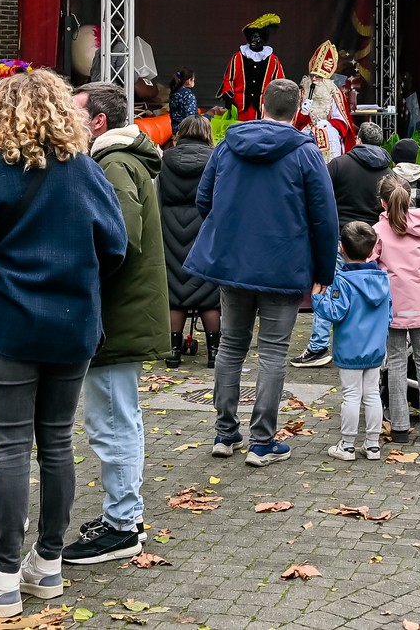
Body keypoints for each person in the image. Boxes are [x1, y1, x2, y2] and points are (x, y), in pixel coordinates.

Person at [0, 68, 127, 619]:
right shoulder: (84, 170)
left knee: (11, 448)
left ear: (0, 114)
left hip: (10, 324)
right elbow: (116, 246)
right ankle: (47, 566)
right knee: (57, 444)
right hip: (74, 325)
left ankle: (4, 576)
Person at [184, 78, 340, 467]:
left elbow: (204, 200)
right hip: (283, 267)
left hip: (233, 265)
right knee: (273, 351)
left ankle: (224, 433)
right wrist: (324, 271)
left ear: (261, 103)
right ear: (299, 105)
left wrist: (229, 235)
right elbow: (324, 218)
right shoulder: (306, 154)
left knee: (231, 346)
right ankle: (262, 441)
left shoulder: (227, 146)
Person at [66, 83, 171, 566]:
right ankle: (125, 517)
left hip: (116, 316)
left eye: (75, 112)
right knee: (118, 420)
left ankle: (122, 526)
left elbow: (120, 238)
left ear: (99, 122)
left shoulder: (111, 164)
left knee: (110, 423)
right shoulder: (122, 160)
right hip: (122, 313)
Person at [293, 120, 394, 368]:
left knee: (329, 287)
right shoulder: (388, 173)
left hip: (341, 237)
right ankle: (370, 344)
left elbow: (319, 193)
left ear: (357, 139)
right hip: (373, 238)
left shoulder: (339, 164)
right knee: (371, 292)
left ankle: (318, 346)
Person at [313, 222, 393, 462]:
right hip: (376, 348)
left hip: (350, 348)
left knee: (351, 395)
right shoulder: (383, 279)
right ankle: (372, 445)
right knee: (371, 394)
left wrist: (317, 298)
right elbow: (389, 313)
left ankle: (347, 445)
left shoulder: (342, 282)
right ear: (371, 252)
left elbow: (335, 312)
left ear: (341, 249)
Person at [377, 174, 420, 444]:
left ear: (383, 203)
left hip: (392, 308)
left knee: (395, 364)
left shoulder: (378, 232)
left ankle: (400, 426)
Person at [158, 116, 222, 368]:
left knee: (176, 293)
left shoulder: (165, 159)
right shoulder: (215, 159)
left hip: (171, 231)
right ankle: (214, 353)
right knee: (208, 294)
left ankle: (173, 353)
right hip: (205, 229)